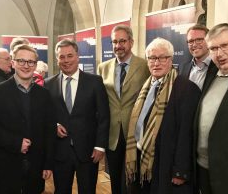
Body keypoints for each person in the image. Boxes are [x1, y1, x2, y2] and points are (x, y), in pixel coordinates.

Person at [125, 37, 201, 194]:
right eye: (152, 58)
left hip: (165, 162)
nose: (156, 63)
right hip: (141, 157)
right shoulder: (145, 86)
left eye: (162, 58)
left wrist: (180, 170)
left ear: (171, 59)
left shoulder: (186, 89)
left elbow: (186, 134)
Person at [0, 44, 56, 194]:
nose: (26, 66)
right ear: (13, 62)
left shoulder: (44, 95)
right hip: (5, 165)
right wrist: (15, 143)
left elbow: (49, 130)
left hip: (35, 167)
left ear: (35, 65)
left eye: (31, 62)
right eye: (21, 61)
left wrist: (48, 163)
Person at [44, 39, 110, 194]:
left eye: (69, 56)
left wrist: (100, 146)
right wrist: (54, 125)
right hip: (60, 152)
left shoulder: (95, 82)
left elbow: (104, 116)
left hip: (88, 152)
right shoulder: (49, 84)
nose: (66, 60)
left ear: (77, 56)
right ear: (57, 59)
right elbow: (45, 115)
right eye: (62, 57)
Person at [194, 23, 228, 194]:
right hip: (204, 170)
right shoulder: (212, 72)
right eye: (213, 48)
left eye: (224, 45)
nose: (219, 54)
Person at [97, 24, 150, 194]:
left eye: (122, 41)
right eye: (114, 42)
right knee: (114, 178)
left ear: (131, 42)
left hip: (135, 132)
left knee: (132, 180)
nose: (118, 45)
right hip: (112, 133)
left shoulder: (145, 66)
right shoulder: (103, 67)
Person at [179, 24, 216, 90]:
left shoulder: (218, 66)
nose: (194, 44)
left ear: (209, 41)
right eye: (191, 41)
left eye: (199, 40)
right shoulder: (182, 68)